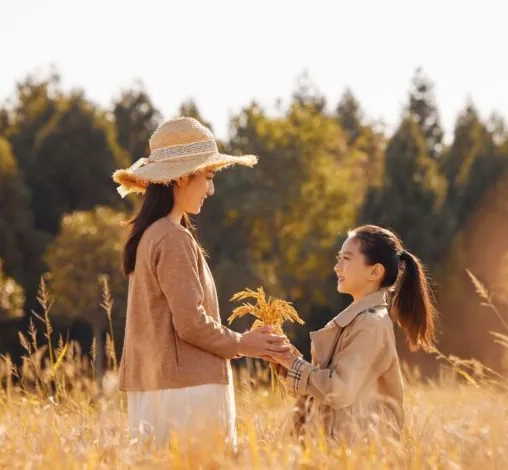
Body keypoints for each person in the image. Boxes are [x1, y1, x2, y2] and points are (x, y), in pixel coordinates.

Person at [113, 117, 289, 447]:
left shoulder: (151, 236)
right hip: (187, 392)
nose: (211, 189)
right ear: (181, 177)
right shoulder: (172, 238)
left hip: (159, 388)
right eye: (208, 177)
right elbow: (191, 323)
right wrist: (242, 343)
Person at [270, 225, 439, 443]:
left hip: (358, 450)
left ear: (375, 272)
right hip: (337, 447)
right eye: (338, 258)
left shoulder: (370, 324)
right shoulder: (357, 320)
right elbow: (326, 391)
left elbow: (339, 390)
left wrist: (292, 363)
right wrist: (285, 364)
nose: (336, 267)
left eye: (346, 259)